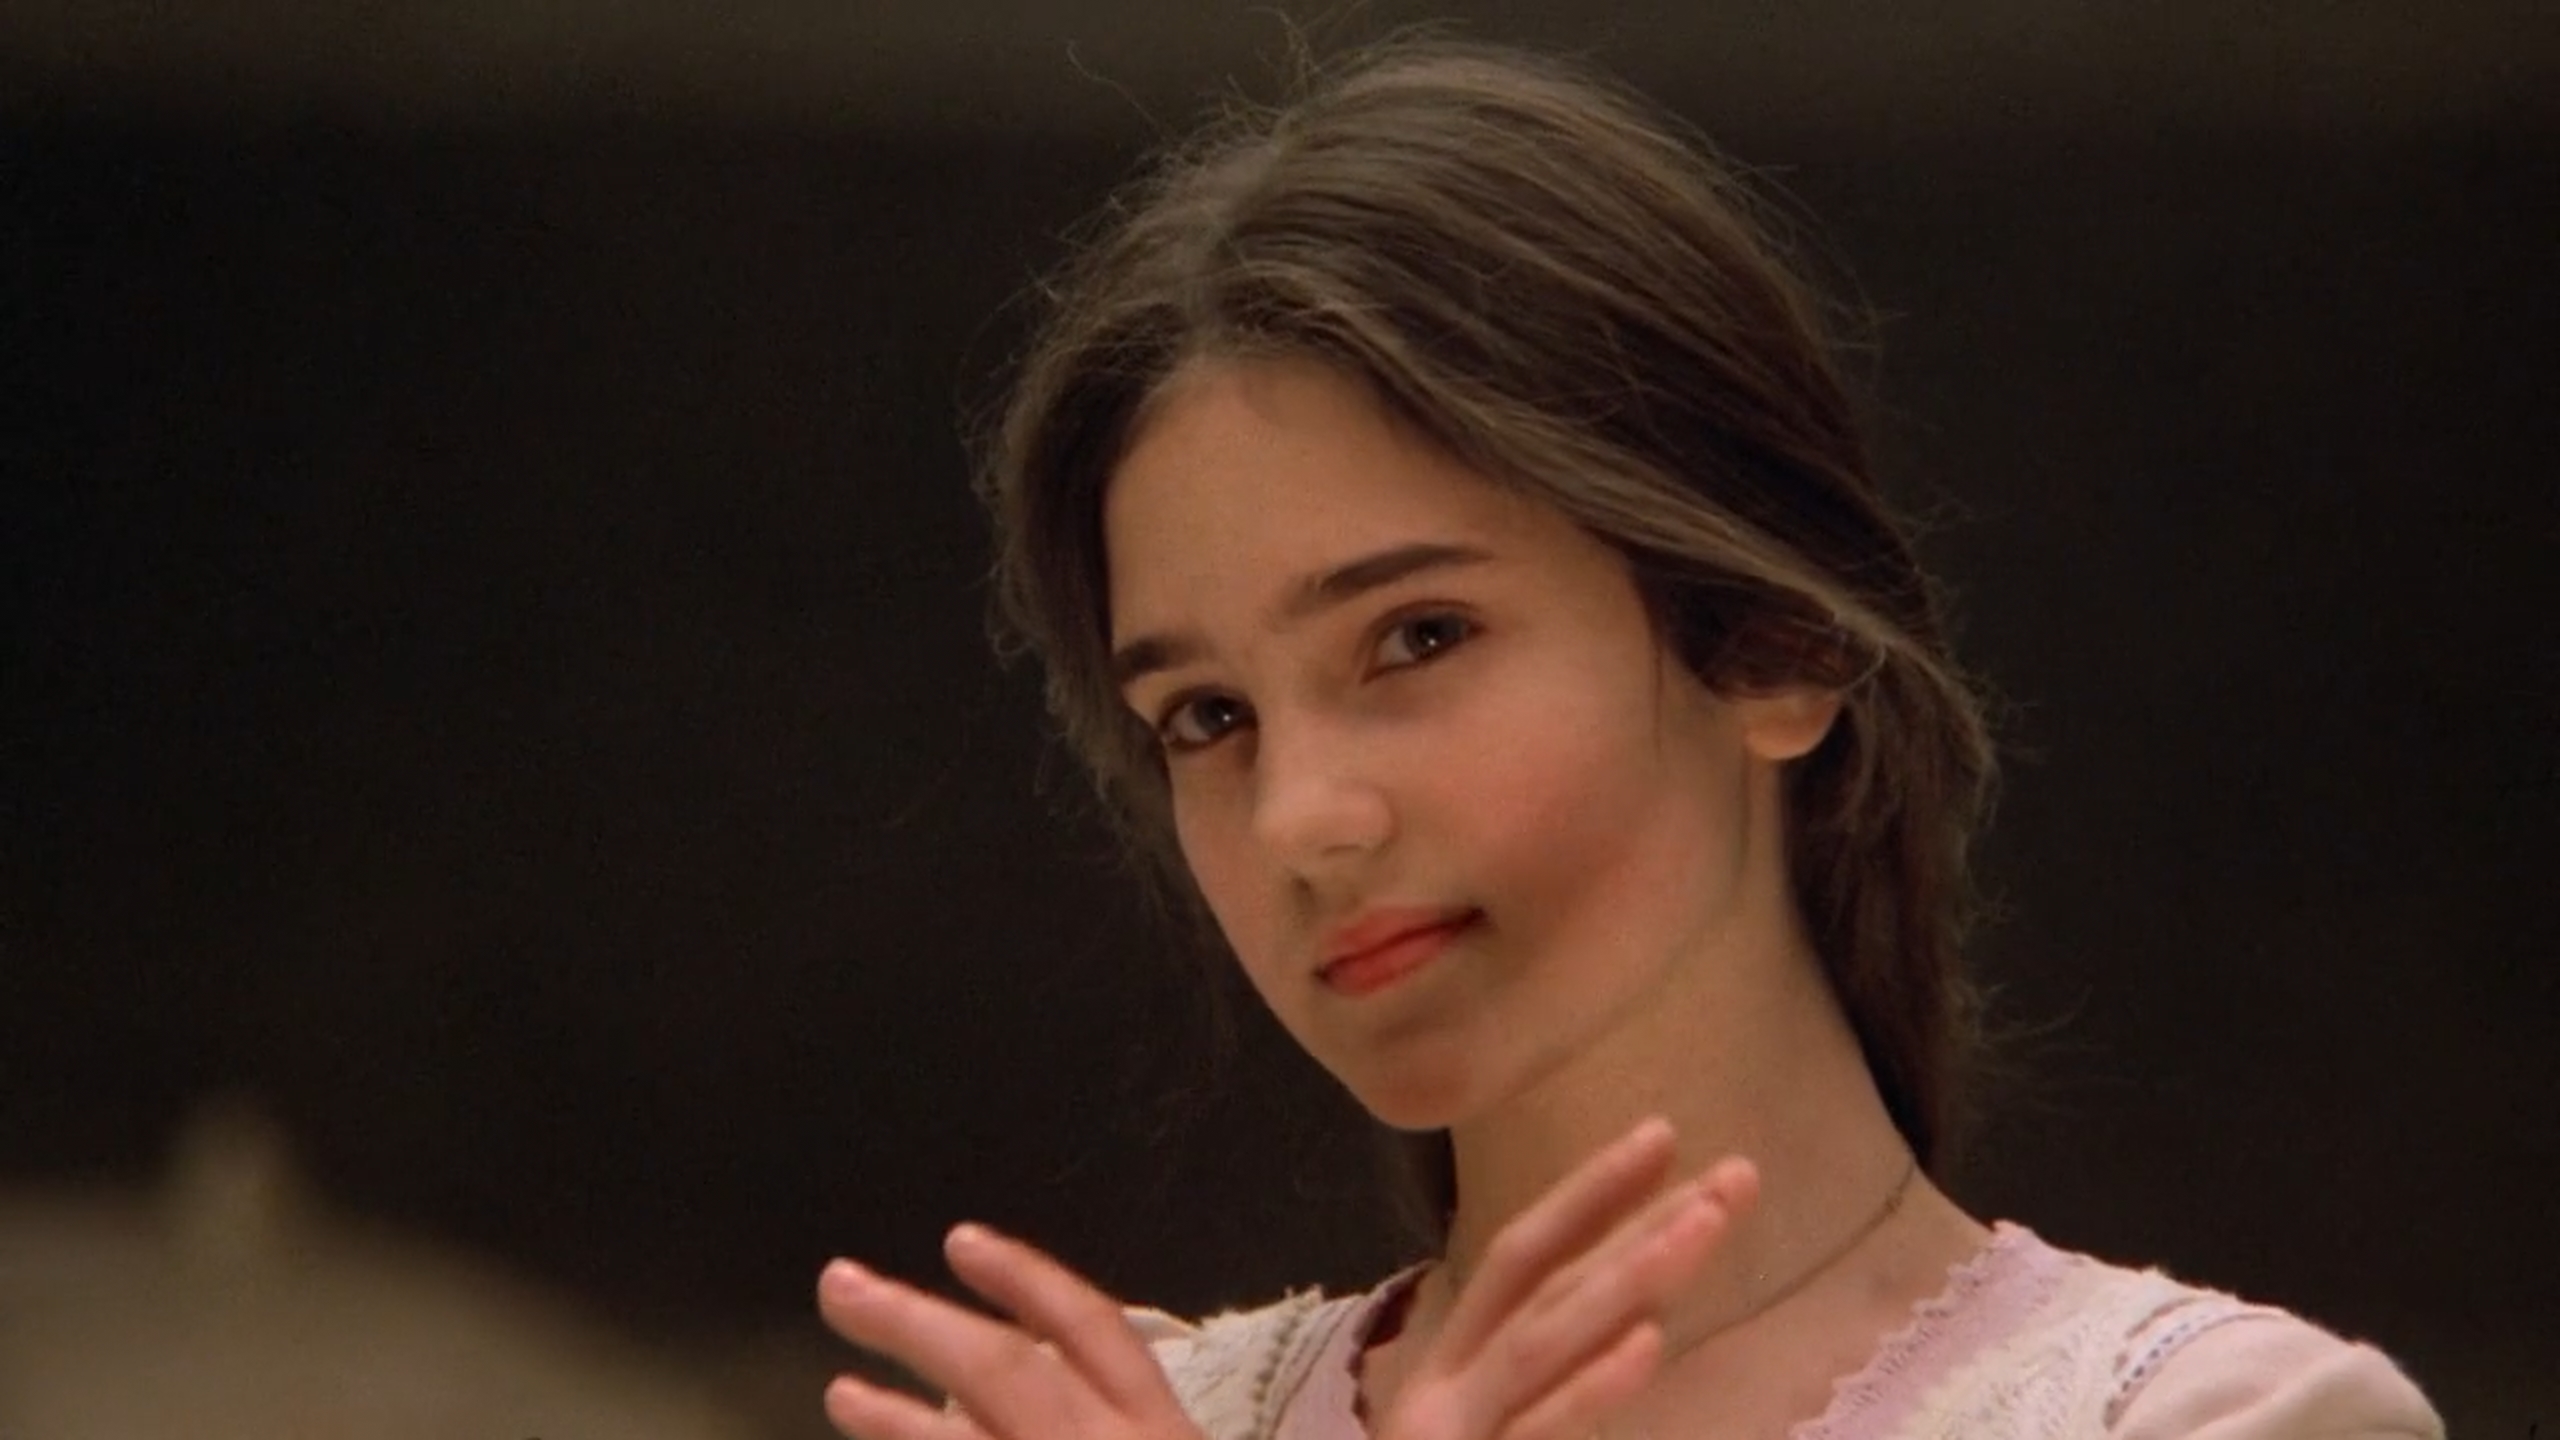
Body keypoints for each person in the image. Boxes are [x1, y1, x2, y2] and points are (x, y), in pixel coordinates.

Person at [814, 39, 2444, 1440]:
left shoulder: (2215, 1418)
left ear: (1775, 643)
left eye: (1419, 637)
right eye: (1208, 717)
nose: (1302, 815)